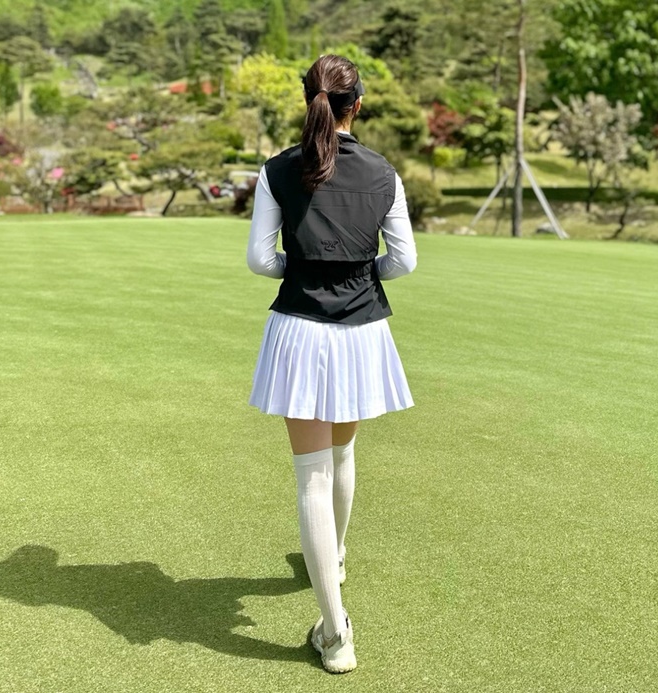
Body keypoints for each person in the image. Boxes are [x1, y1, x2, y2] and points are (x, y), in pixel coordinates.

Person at [246, 54, 417, 674]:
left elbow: (260, 259)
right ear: (357, 105)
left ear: (308, 101)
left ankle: (336, 631)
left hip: (299, 328)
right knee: (343, 454)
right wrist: (360, 274)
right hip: (361, 331)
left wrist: (300, 269)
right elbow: (404, 261)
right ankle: (335, 560)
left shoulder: (276, 169)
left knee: (312, 476)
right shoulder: (384, 172)